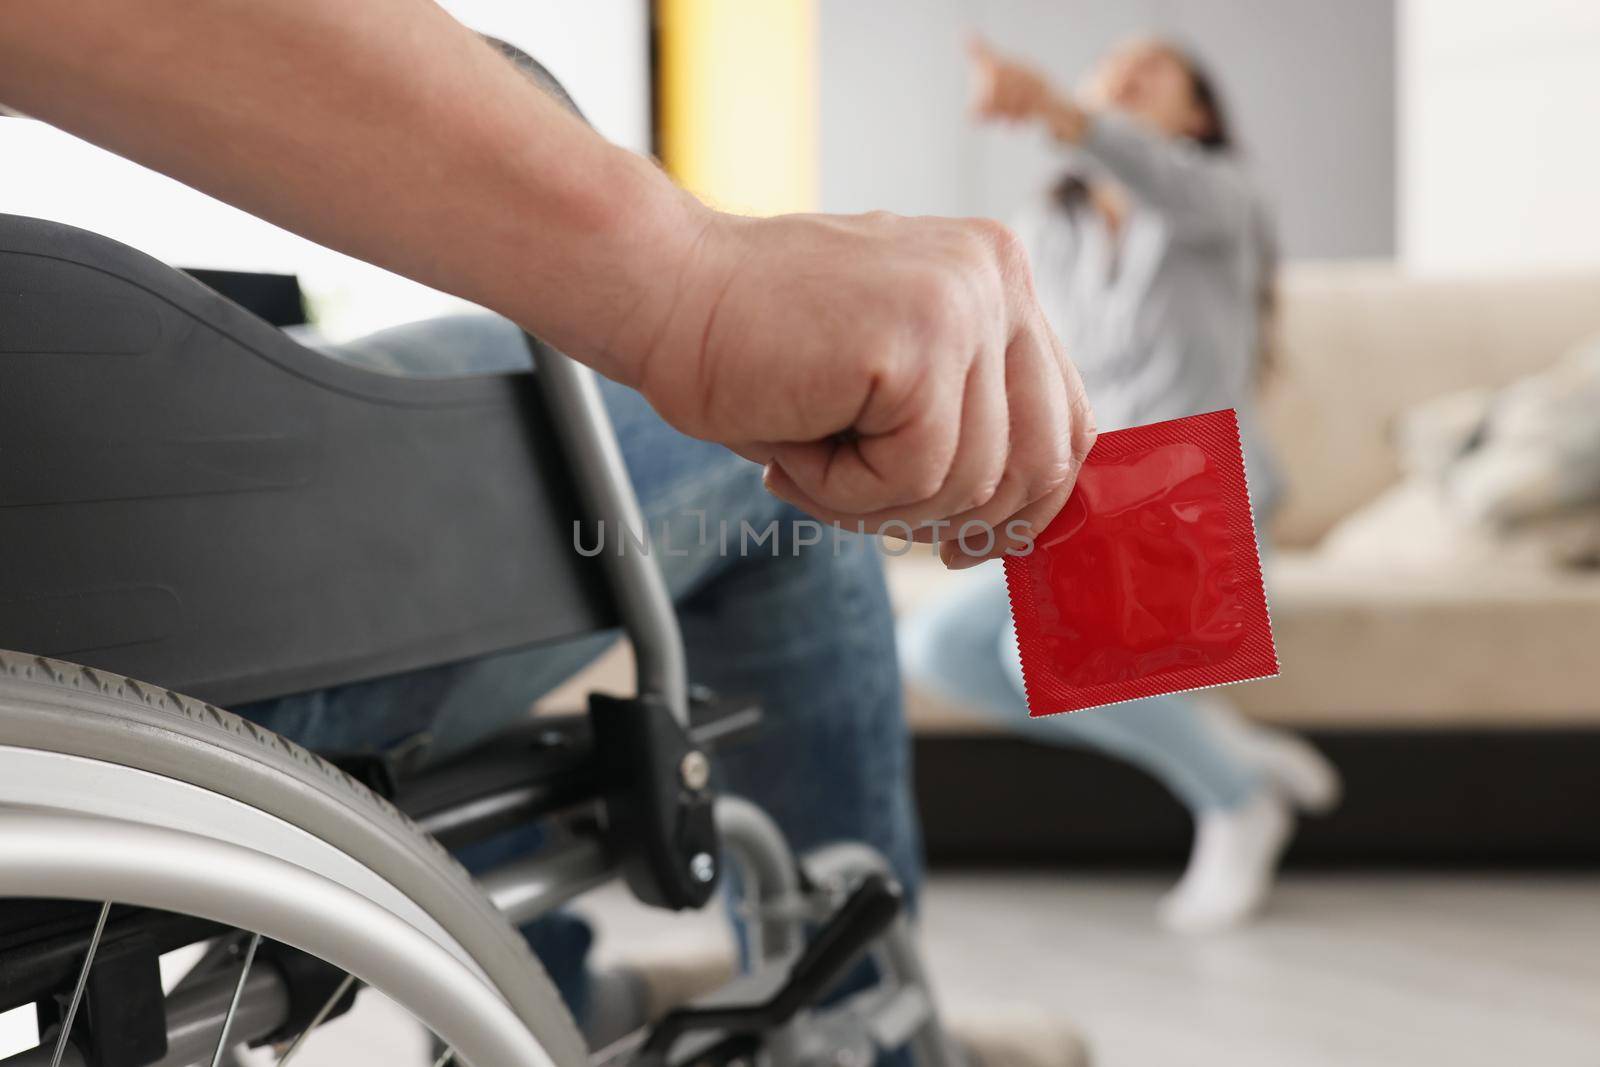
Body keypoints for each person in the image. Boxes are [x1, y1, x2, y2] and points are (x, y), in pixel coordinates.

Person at [0, 3, 1095, 1064]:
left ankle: (575, 1002)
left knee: (472, 466)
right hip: (95, 649)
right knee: (771, 457)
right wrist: (691, 284)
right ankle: (865, 1030)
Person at [900, 37, 1341, 934]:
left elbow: (1148, 169)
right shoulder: (1045, 224)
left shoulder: (1219, 199)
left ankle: (1234, 799)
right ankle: (1225, 749)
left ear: (1198, 116)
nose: (1123, 78)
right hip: (1085, 498)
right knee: (940, 648)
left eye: (1153, 73)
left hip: (1193, 491)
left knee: (1043, 652)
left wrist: (1063, 109)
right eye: (1111, 71)